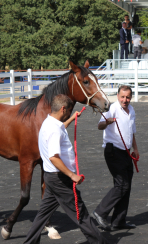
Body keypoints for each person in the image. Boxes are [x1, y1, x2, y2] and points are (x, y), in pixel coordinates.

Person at [23, 94, 108, 244]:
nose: (69, 113)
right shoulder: (54, 130)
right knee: (80, 213)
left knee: (43, 214)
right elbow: (54, 157)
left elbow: (61, 128)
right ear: (63, 109)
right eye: (69, 111)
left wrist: (72, 118)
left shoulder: (49, 122)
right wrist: (72, 175)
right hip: (60, 178)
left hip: (51, 177)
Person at [93, 85, 139, 231]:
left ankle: (118, 221)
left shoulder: (131, 110)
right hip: (113, 151)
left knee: (127, 186)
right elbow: (99, 126)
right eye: (122, 97)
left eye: (128, 97)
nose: (125, 100)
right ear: (118, 96)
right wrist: (107, 122)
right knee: (121, 185)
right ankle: (100, 212)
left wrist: (135, 148)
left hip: (126, 152)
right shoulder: (112, 108)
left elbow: (132, 132)